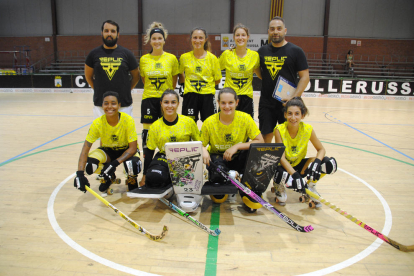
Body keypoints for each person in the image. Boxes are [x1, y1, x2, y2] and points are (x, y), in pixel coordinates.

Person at [201, 87, 264, 207]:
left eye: (230, 102)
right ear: (218, 103)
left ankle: (246, 184)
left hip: (239, 156)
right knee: (217, 172)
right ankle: (225, 178)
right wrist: (204, 150)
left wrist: (237, 146)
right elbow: (201, 144)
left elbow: (260, 141)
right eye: (223, 103)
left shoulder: (245, 118)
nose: (227, 106)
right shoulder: (209, 122)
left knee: (255, 154)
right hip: (219, 158)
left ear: (237, 102)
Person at [272, 97, 337, 207]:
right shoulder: (279, 129)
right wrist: (295, 175)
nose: (293, 117)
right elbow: (281, 158)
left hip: (299, 165)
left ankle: (310, 185)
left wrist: (316, 162)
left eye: (297, 114)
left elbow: (321, 149)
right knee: (281, 175)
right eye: (290, 113)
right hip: (285, 168)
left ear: (302, 115)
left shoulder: (308, 129)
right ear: (285, 115)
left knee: (329, 163)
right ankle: (279, 186)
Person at [74, 91, 142, 194]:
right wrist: (79, 174)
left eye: (113, 103)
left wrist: (113, 164)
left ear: (119, 105)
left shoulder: (128, 120)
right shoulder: (97, 123)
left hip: (126, 150)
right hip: (108, 151)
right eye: (106, 103)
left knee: (132, 164)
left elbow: (132, 148)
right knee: (89, 165)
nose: (109, 106)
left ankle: (131, 178)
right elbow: (85, 150)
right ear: (102, 105)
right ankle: (108, 176)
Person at [139, 22, 180, 186]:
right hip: (149, 99)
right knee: (148, 139)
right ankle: (145, 174)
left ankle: (173, 172)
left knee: (170, 134)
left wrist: (167, 98)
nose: (157, 41)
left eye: (159, 38)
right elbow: (144, 80)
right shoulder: (144, 59)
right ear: (150, 40)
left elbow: (174, 80)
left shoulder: (171, 58)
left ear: (164, 40)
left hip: (166, 101)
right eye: (154, 38)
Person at [257, 16, 310, 143]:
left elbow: (305, 77)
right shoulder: (262, 51)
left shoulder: (296, 51)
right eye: (272, 29)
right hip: (266, 103)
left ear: (285, 31)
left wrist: (294, 98)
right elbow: (261, 74)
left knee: (286, 137)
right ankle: (267, 162)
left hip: (287, 103)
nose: (276, 32)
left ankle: (284, 162)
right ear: (268, 31)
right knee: (265, 137)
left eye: (279, 29)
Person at [140, 89, 200, 190]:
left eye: (173, 102)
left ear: (178, 104)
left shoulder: (188, 122)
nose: (170, 106)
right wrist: (145, 175)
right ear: (161, 104)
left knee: (184, 184)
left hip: (184, 158)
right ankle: (166, 179)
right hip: (164, 156)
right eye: (166, 102)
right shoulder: (155, 126)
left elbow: (199, 143)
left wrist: (199, 167)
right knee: (153, 177)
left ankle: (171, 180)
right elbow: (149, 152)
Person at [85, 20, 140, 118]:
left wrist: (126, 89)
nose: (109, 34)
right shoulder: (93, 54)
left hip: (123, 105)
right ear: (102, 33)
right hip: (101, 105)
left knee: (124, 133)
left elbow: (136, 76)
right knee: (101, 134)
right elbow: (88, 76)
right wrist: (98, 89)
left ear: (118, 34)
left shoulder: (127, 54)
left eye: (113, 31)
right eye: (106, 31)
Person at [179, 27, 222, 123]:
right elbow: (180, 73)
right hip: (190, 97)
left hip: (207, 97)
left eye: (200, 38)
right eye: (195, 37)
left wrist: (206, 85)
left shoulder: (213, 59)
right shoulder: (184, 57)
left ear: (205, 39)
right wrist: (184, 86)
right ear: (191, 39)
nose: (197, 40)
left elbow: (217, 80)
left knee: (210, 125)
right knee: (188, 125)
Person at [219, 23, 261, 118]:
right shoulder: (226, 54)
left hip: (246, 98)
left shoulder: (254, 56)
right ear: (233, 37)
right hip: (228, 97)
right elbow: (215, 71)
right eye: (237, 35)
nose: (240, 37)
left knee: (246, 129)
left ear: (248, 37)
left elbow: (260, 75)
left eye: (243, 35)